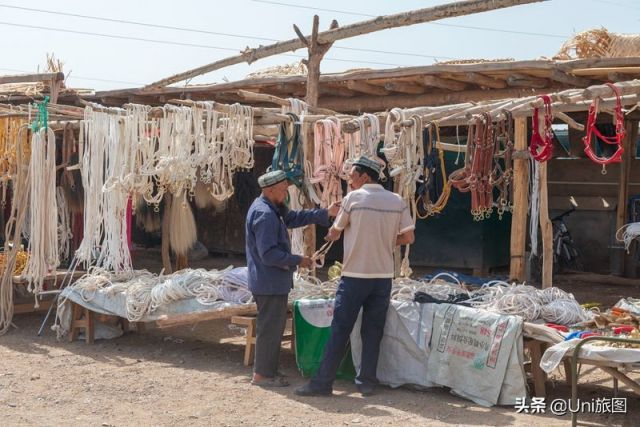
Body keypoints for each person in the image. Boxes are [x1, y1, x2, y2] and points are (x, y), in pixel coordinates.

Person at [296, 155, 415, 397]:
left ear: (364, 176)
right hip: (382, 278)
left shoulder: (353, 199)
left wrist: (331, 234)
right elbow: (408, 238)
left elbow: (335, 233)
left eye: (351, 177)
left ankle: (322, 384)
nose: (349, 182)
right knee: (373, 331)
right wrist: (384, 242)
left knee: (340, 330)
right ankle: (367, 382)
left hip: (354, 277)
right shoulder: (397, 201)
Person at [245, 169, 340, 388]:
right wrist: (299, 260)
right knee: (270, 328)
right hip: (269, 282)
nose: (286, 194)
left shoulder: (271, 208)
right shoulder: (265, 214)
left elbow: (294, 217)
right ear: (270, 190)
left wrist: (325, 213)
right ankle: (262, 376)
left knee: (272, 328)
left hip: (270, 281)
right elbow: (268, 254)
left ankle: (267, 371)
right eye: (283, 190)